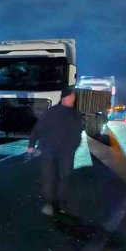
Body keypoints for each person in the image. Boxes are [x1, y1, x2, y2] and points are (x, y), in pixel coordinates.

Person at [27, 86, 83, 216]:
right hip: (48, 151)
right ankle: (49, 203)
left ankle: (61, 203)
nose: (73, 99)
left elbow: (78, 133)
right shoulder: (51, 112)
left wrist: (73, 146)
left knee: (65, 177)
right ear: (64, 97)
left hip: (66, 152)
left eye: (74, 97)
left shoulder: (75, 114)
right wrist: (31, 145)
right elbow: (38, 129)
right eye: (71, 96)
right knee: (48, 177)